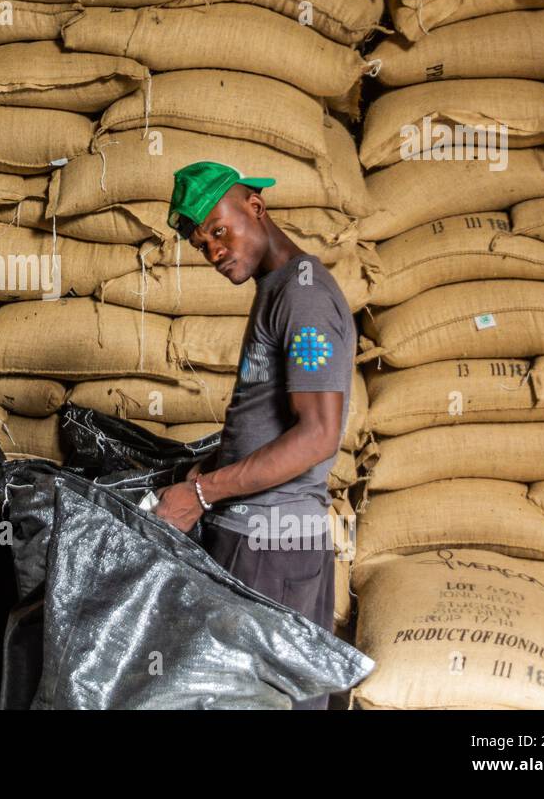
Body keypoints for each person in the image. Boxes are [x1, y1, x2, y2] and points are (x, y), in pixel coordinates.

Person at [154, 161, 354, 710]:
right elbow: (271, 418)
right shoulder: (280, 288)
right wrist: (210, 466)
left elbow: (317, 436)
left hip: (272, 544)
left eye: (220, 231)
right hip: (259, 537)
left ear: (255, 209)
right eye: (202, 245)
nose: (215, 251)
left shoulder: (304, 297)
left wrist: (200, 494)